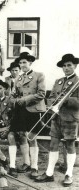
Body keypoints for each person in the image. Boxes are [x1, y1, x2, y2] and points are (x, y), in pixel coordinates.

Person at [35, 54, 79, 187]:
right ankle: (49, 174)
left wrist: (66, 100)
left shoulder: (78, 81)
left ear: (75, 66)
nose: (66, 68)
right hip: (57, 117)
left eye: (69, 65)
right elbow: (51, 97)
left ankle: (69, 174)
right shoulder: (58, 81)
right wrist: (53, 103)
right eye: (64, 66)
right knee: (53, 145)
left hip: (70, 119)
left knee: (70, 145)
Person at [9, 52, 46, 179]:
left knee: (31, 137)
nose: (22, 65)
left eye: (25, 62)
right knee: (21, 135)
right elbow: (14, 95)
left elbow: (41, 94)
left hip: (33, 110)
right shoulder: (18, 78)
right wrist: (14, 100)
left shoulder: (39, 76)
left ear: (30, 63)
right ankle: (26, 163)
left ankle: (34, 167)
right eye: (20, 63)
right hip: (20, 110)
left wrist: (25, 99)